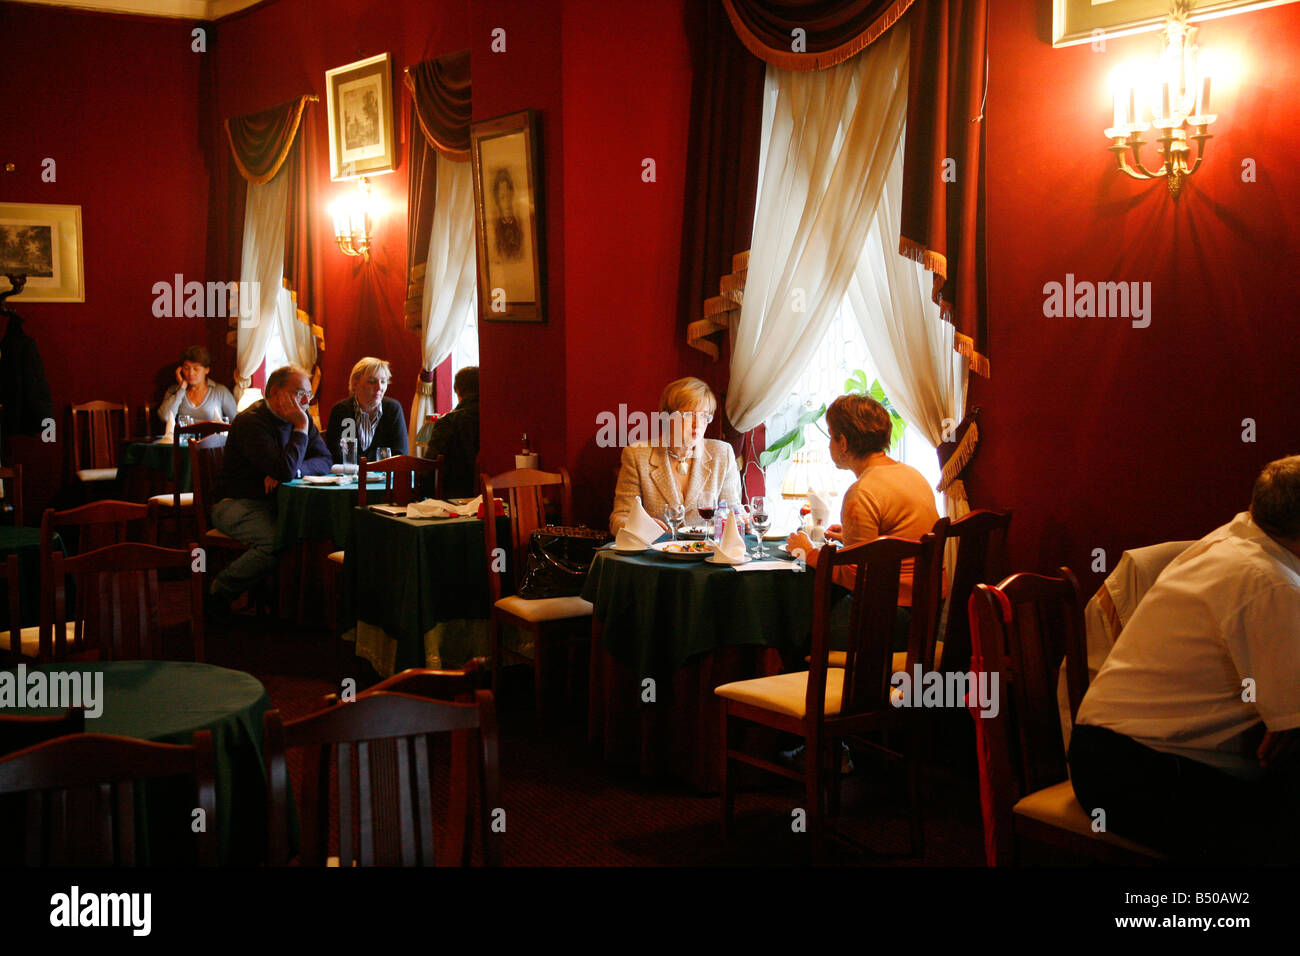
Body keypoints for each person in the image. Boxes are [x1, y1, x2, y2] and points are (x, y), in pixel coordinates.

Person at [1069, 456, 1300, 863]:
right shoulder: (1268, 582)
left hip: (1109, 754)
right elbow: (1289, 736)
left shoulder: (1235, 539)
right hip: (1135, 773)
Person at [785, 394, 941, 654]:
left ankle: (819, 688)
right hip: (927, 610)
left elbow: (861, 578)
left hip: (889, 615)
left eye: (832, 436)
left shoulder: (862, 491)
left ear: (843, 443)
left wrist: (809, 553)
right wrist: (851, 538)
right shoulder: (912, 474)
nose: (830, 445)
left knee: (796, 636)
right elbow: (898, 541)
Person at [208, 365, 332, 617]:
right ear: (275, 393)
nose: (306, 401)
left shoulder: (302, 418)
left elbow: (325, 459)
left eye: (309, 394)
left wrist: (295, 470)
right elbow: (283, 469)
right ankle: (220, 590)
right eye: (299, 393)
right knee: (275, 541)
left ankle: (302, 605)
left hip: (276, 503)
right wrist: (299, 428)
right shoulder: (251, 422)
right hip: (237, 503)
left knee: (318, 529)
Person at [609, 377, 743, 535]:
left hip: (707, 553)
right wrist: (638, 526)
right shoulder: (637, 456)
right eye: (689, 415)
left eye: (704, 416)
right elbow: (620, 518)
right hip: (658, 556)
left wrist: (741, 521)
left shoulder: (722, 453)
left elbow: (733, 513)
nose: (698, 424)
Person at [324, 357, 408, 464]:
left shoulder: (393, 409)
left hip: (383, 478)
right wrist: (378, 457)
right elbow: (335, 454)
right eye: (372, 381)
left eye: (383, 381)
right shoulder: (340, 410)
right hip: (349, 477)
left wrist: (358, 459)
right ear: (355, 383)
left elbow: (400, 453)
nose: (379, 387)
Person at [427, 366, 480, 498]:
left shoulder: (448, 422)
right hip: (491, 493)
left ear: (457, 390)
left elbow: (430, 468)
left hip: (453, 497)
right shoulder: (495, 418)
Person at [157, 345, 237, 428]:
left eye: (196, 369)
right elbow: (165, 418)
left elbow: (235, 421)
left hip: (213, 439)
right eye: (186, 368)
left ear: (206, 370)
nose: (191, 373)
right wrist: (181, 389)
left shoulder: (220, 391)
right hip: (184, 439)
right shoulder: (175, 390)